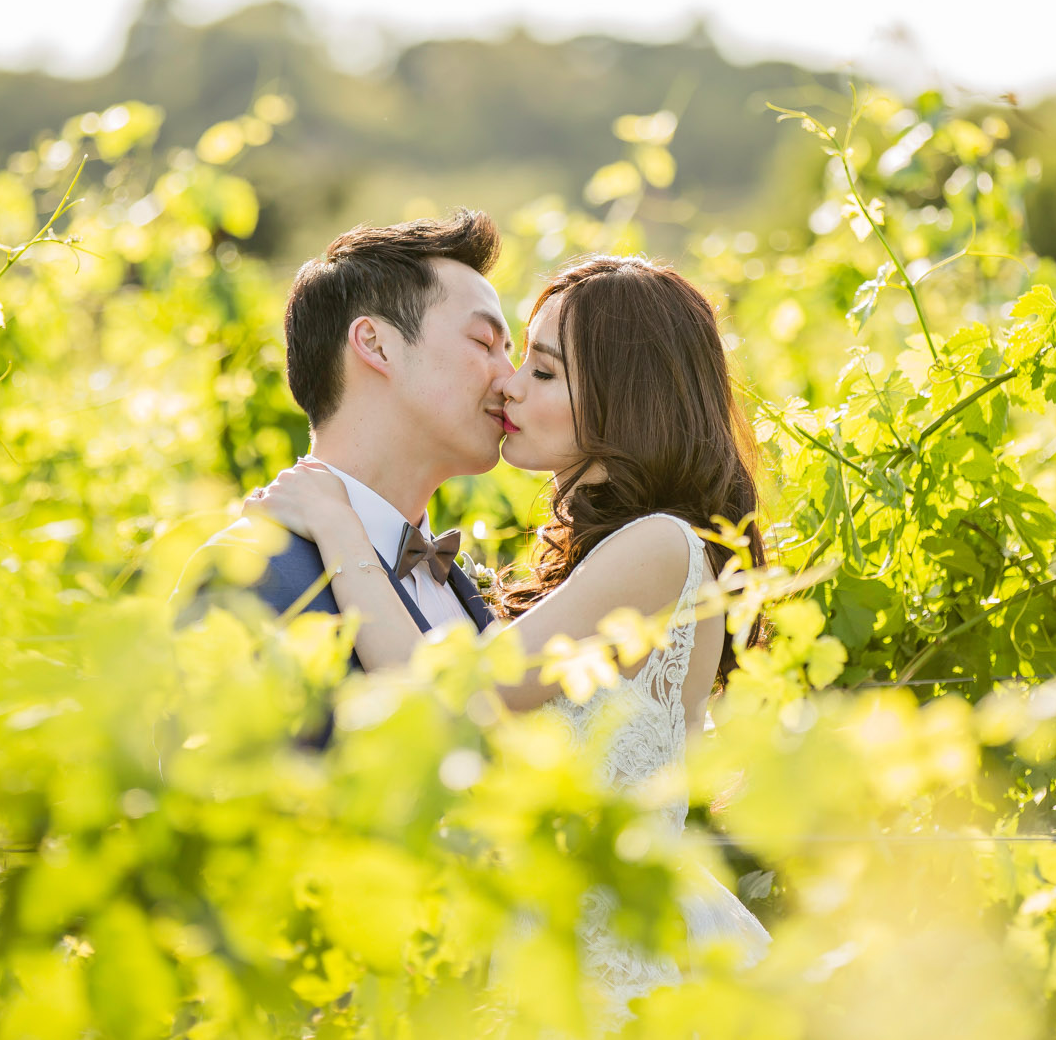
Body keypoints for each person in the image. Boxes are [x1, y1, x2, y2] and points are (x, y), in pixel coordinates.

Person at [251, 253, 771, 1022]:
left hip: (611, 977)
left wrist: (338, 526)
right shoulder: (619, 559)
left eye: (544, 371)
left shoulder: (659, 546)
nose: (510, 385)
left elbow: (465, 695)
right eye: (510, 357)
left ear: (626, 397)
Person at [198, 210, 512, 672]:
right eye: (485, 343)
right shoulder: (247, 574)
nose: (511, 380)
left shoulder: (464, 592)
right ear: (376, 344)